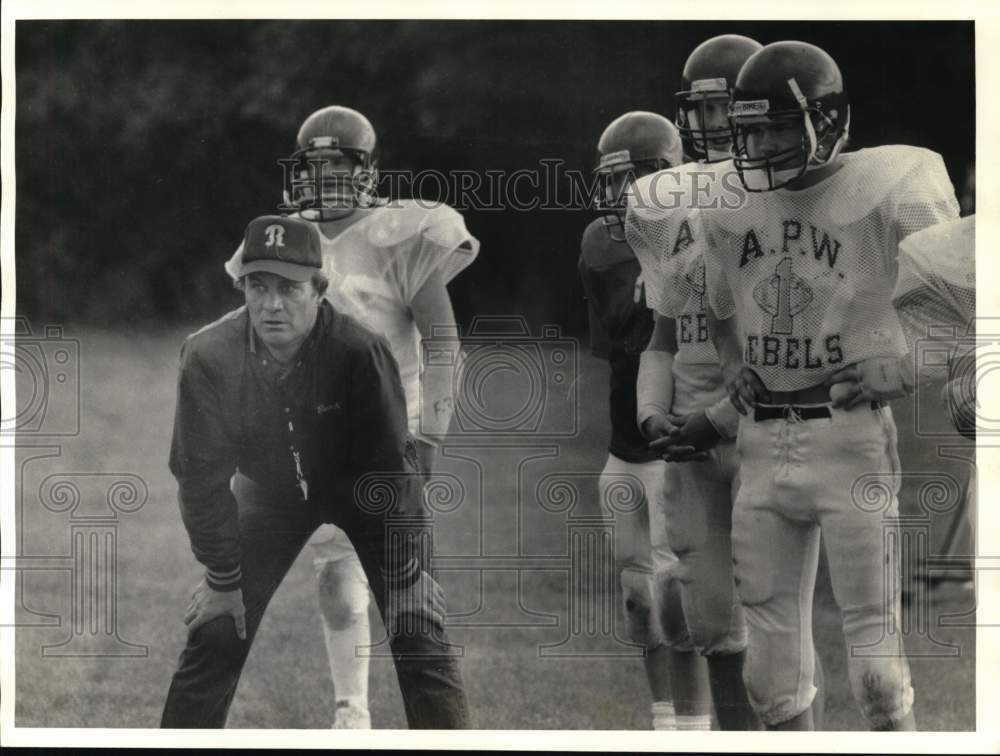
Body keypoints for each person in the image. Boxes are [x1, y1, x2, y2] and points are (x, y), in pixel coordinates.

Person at [702, 40, 959, 730]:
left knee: (876, 666)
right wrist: (731, 361)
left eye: (778, 125)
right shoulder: (727, 204)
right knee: (768, 672)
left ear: (828, 119)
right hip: (762, 444)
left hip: (848, 441)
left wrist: (906, 370)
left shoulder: (888, 189)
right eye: (749, 128)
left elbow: (969, 310)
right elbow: (714, 299)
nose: (759, 144)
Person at [162, 214, 469, 729]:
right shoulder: (208, 355)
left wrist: (409, 572)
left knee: (419, 626)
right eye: (258, 287)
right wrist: (221, 576)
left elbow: (393, 473)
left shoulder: (359, 351)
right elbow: (200, 477)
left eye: (289, 288)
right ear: (242, 287)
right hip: (270, 489)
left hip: (361, 489)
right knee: (216, 628)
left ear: (320, 289)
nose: (271, 304)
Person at [225, 105, 478, 728]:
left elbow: (443, 342)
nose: (325, 179)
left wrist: (430, 435)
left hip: (390, 437)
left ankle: (437, 726)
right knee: (334, 582)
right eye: (314, 166)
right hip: (308, 439)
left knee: (413, 602)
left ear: (367, 169)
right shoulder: (282, 237)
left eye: (339, 165)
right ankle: (351, 713)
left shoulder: (403, 231)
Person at [625, 34, 764, 731]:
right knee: (709, 619)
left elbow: (783, 352)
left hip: (768, 429)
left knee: (774, 625)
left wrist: (716, 417)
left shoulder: (788, 202)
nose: (708, 127)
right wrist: (656, 415)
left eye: (725, 108)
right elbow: (661, 335)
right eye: (699, 111)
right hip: (689, 435)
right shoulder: (668, 205)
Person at [579, 111, 713, 731]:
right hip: (622, 447)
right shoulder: (599, 243)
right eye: (609, 182)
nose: (614, 196)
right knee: (638, 598)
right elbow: (618, 350)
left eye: (627, 180)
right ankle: (664, 721)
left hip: (674, 442)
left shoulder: (701, 232)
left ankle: (696, 724)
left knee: (678, 597)